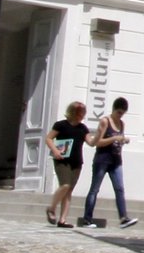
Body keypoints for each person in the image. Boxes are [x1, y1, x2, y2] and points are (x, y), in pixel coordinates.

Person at [80, 96, 137, 229]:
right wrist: (114, 138)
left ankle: (123, 218)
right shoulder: (105, 121)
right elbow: (97, 142)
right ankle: (87, 219)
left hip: (116, 160)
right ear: (113, 109)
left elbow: (119, 139)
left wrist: (123, 140)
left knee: (119, 188)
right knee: (95, 189)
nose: (120, 115)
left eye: (122, 113)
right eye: (118, 112)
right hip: (102, 159)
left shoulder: (122, 124)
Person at [43, 100, 88, 228]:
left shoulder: (83, 128)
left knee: (69, 190)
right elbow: (48, 138)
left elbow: (90, 141)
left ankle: (62, 220)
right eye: (79, 113)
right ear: (72, 112)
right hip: (62, 159)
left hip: (77, 161)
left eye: (82, 113)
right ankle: (51, 208)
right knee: (65, 185)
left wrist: (100, 135)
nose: (81, 116)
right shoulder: (61, 125)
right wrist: (55, 150)